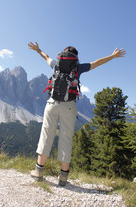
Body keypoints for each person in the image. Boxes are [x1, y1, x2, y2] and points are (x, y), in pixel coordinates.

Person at [28, 41, 126, 186]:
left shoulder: (55, 64)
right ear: (75, 57)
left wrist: (37, 49)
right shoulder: (78, 68)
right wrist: (112, 56)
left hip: (52, 104)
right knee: (66, 139)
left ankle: (38, 172)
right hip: (69, 107)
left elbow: (46, 56)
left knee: (46, 135)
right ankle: (63, 178)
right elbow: (97, 63)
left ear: (63, 55)